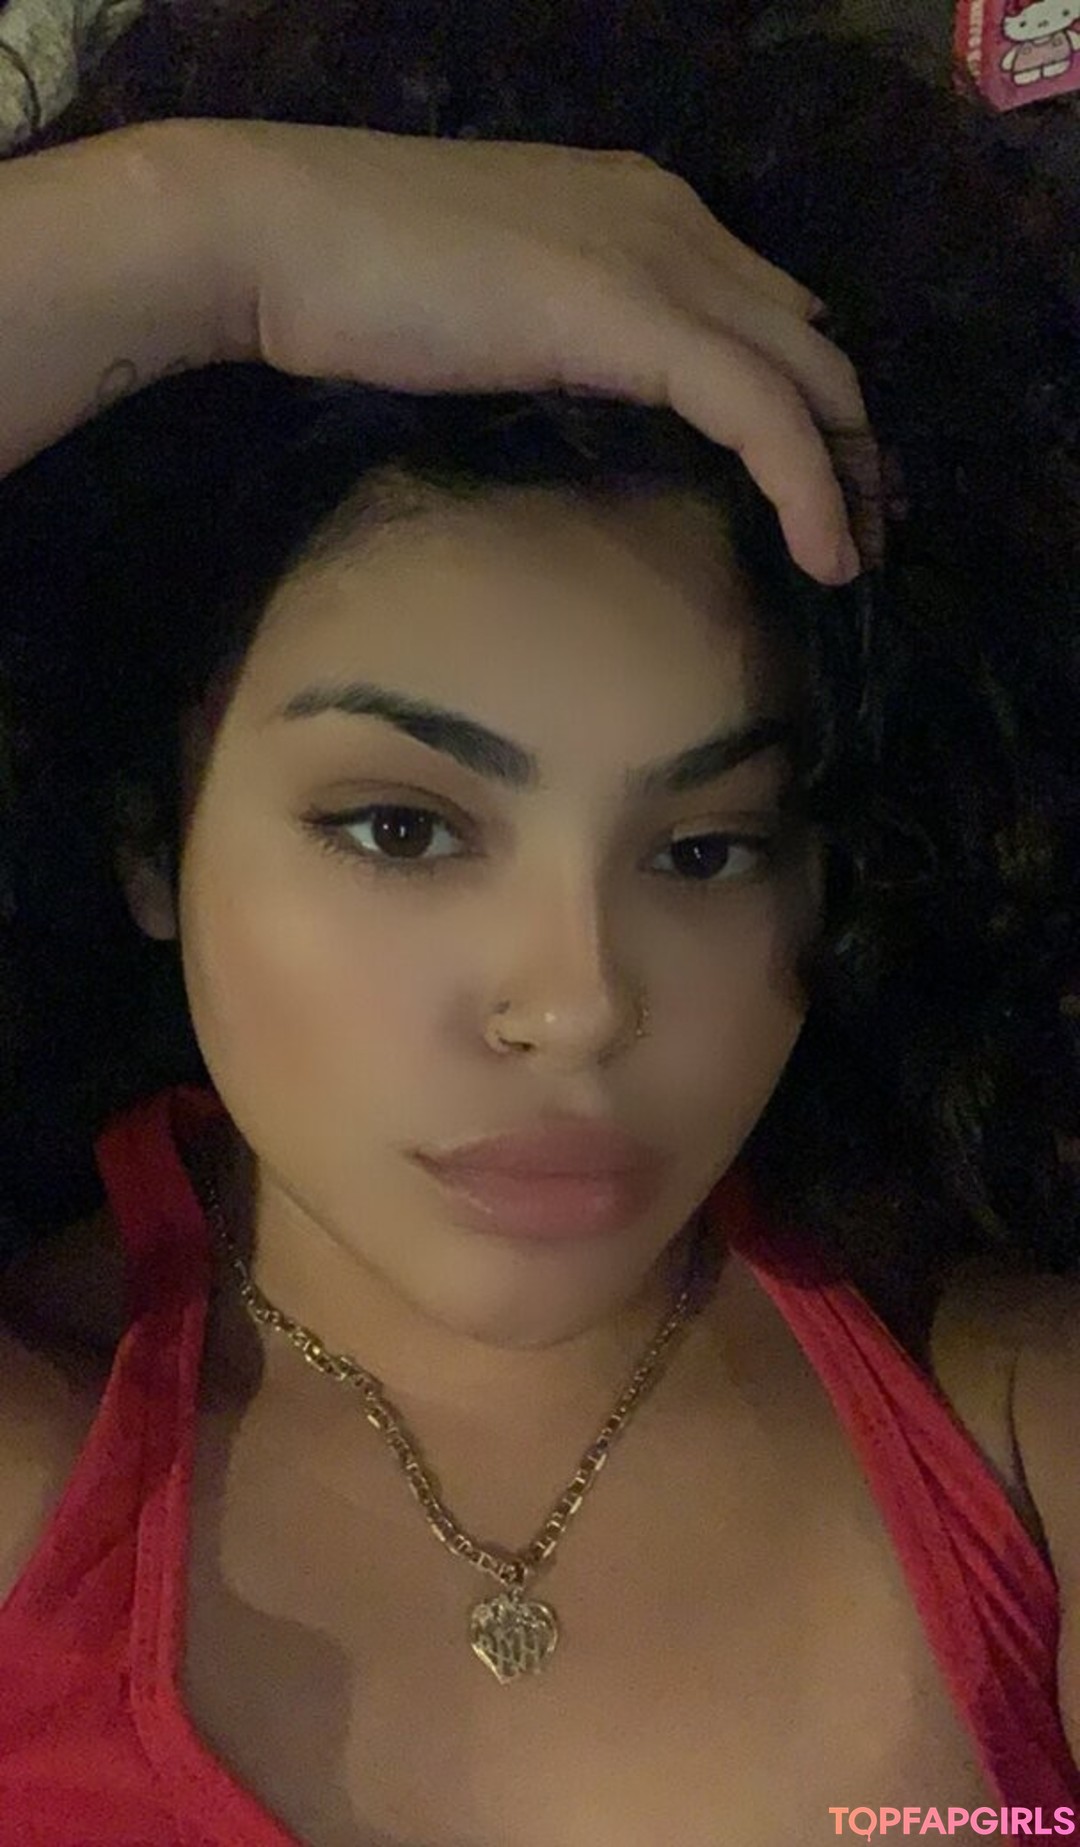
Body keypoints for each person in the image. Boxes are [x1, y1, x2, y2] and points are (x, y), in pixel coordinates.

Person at [0, 3, 1077, 1844]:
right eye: (404, 827)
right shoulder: (47, 1459)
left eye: (710, 848)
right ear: (150, 841)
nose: (576, 1006)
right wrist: (216, 243)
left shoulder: (1017, 1431)